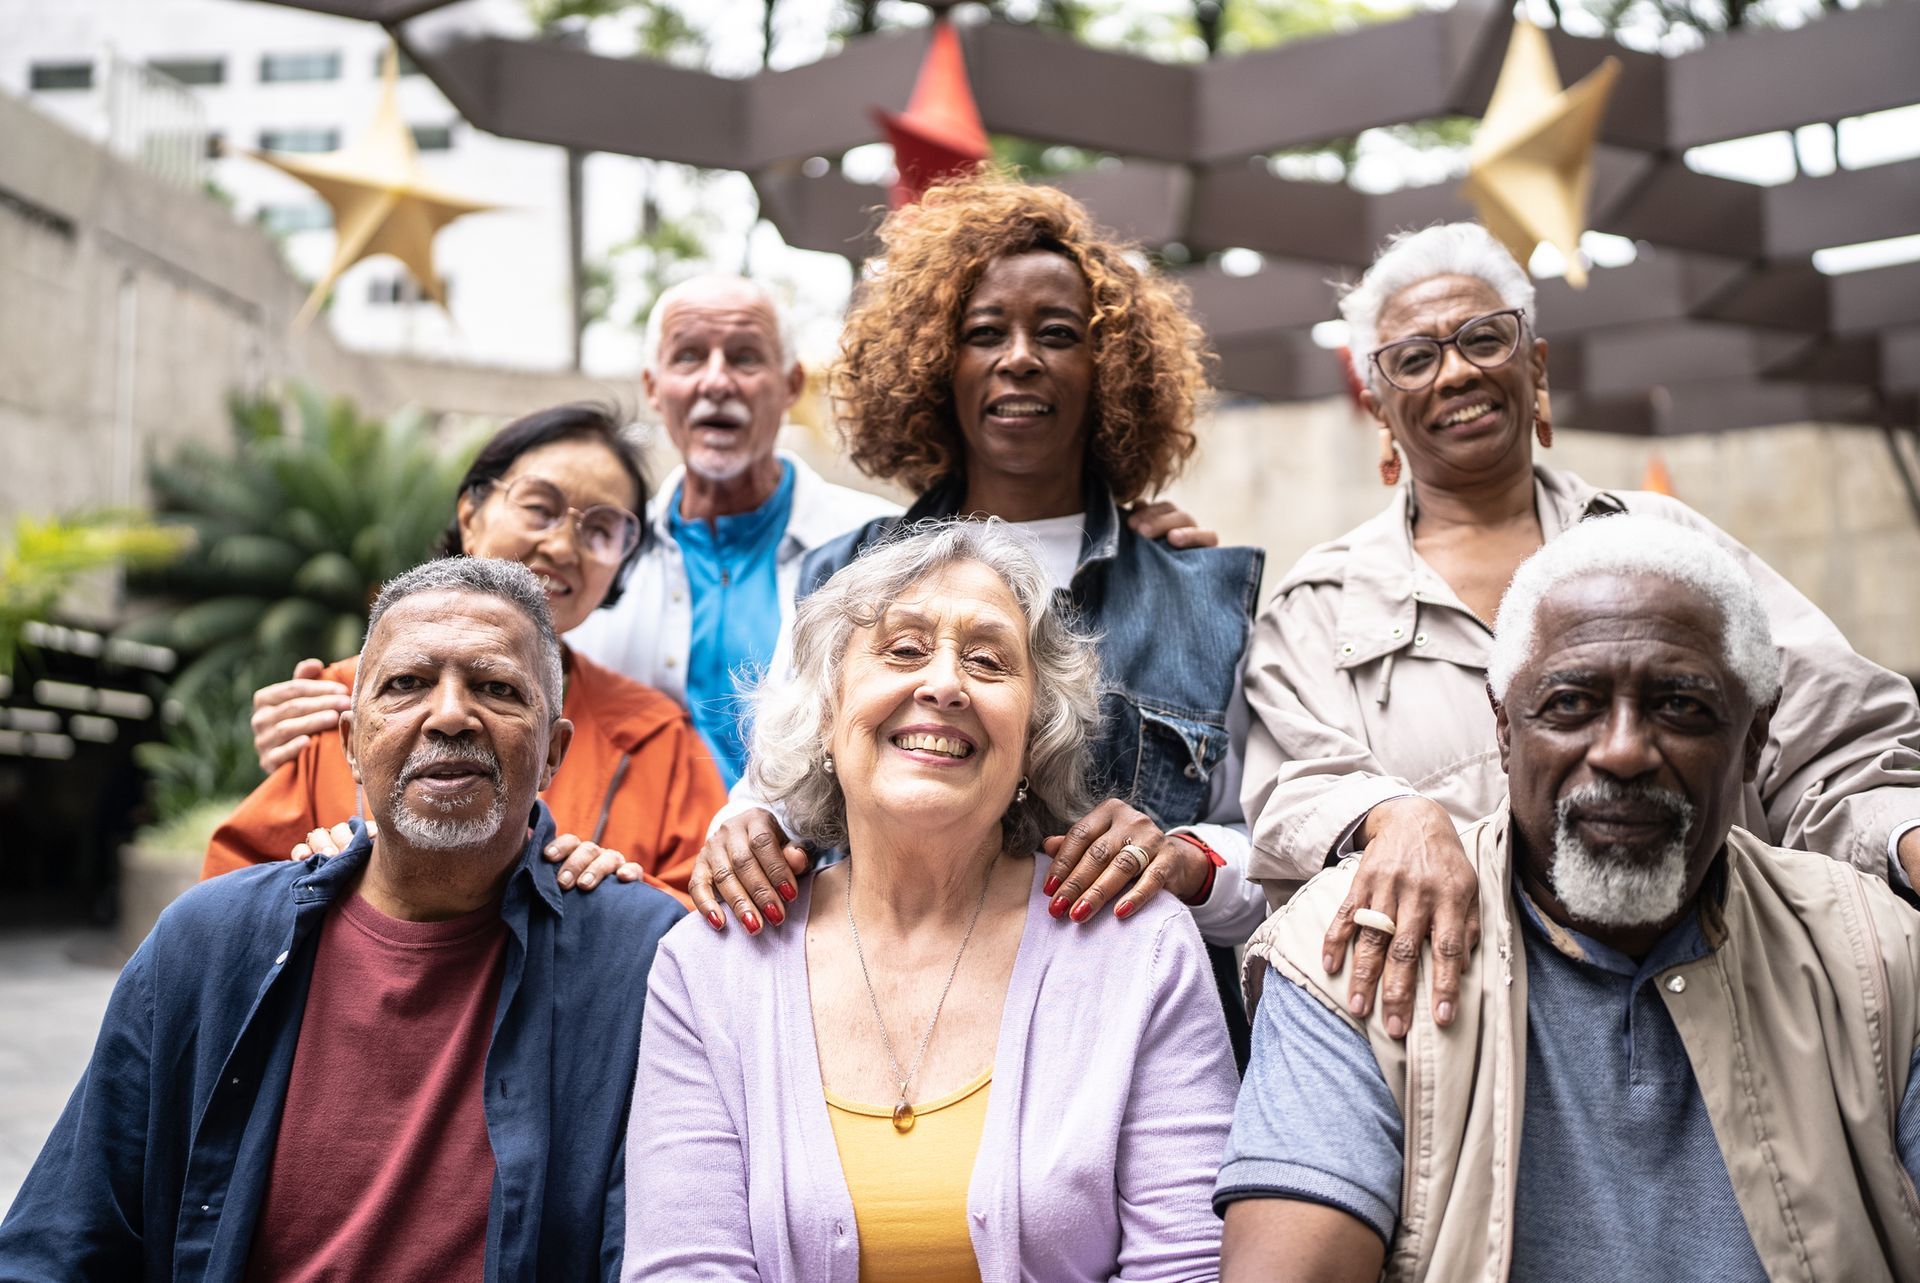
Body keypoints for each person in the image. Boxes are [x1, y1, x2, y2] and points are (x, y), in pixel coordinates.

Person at [1241, 221, 1920, 1043]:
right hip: (1474, 1043)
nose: (1455, 370)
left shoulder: (1669, 547)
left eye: (1483, 339)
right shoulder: (1318, 606)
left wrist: (1902, 834)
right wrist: (1393, 814)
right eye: (1414, 358)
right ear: (1378, 404)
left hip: (1729, 1007)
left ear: (1535, 364)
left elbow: (1832, 740)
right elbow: (1295, 796)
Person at [1218, 515, 1920, 1282]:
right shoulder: (1354, 953)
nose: (1622, 750)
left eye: (1681, 705)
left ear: (1755, 738)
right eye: (1570, 703)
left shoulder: (1880, 956)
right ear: (1504, 731)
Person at [693, 177, 1268, 1045]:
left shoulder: (1201, 595)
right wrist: (745, 834)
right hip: (878, 1035)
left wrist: (1191, 860)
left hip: (1127, 1051)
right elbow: (774, 801)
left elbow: (1277, 865)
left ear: (1111, 369)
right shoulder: (844, 575)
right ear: (935, 364)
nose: (1021, 357)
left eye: (1060, 334)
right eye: (984, 333)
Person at [0, 559, 684, 1281]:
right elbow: (59, 1244)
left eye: (496, 687)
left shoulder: (641, 961)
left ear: (552, 752)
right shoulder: (207, 943)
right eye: (406, 684)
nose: (450, 714)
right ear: (353, 742)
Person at [626, 524, 1238, 1280]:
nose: (945, 684)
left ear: (1032, 736)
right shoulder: (710, 965)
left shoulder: (1139, 949)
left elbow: (1183, 1267)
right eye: (903, 649)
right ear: (826, 710)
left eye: (987, 660)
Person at [201, 404, 726, 900]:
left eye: (602, 530)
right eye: (540, 508)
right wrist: (317, 880)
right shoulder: (342, 701)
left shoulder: (656, 737)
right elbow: (234, 906)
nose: (565, 547)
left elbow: (702, 922)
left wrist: (621, 897)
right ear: (470, 514)